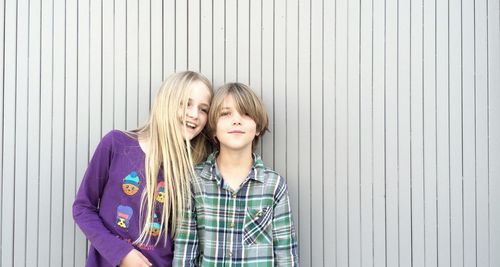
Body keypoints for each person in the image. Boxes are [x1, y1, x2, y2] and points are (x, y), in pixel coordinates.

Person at [73, 71, 213, 267]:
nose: (194, 114)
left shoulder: (196, 166)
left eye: (203, 109)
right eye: (186, 103)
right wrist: (121, 253)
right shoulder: (116, 144)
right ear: (166, 102)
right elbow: (82, 208)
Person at [174, 82, 299, 266]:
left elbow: (286, 255)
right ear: (213, 129)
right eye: (225, 114)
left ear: (257, 128)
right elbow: (185, 252)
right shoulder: (194, 181)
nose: (237, 120)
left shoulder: (273, 185)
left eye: (246, 114)